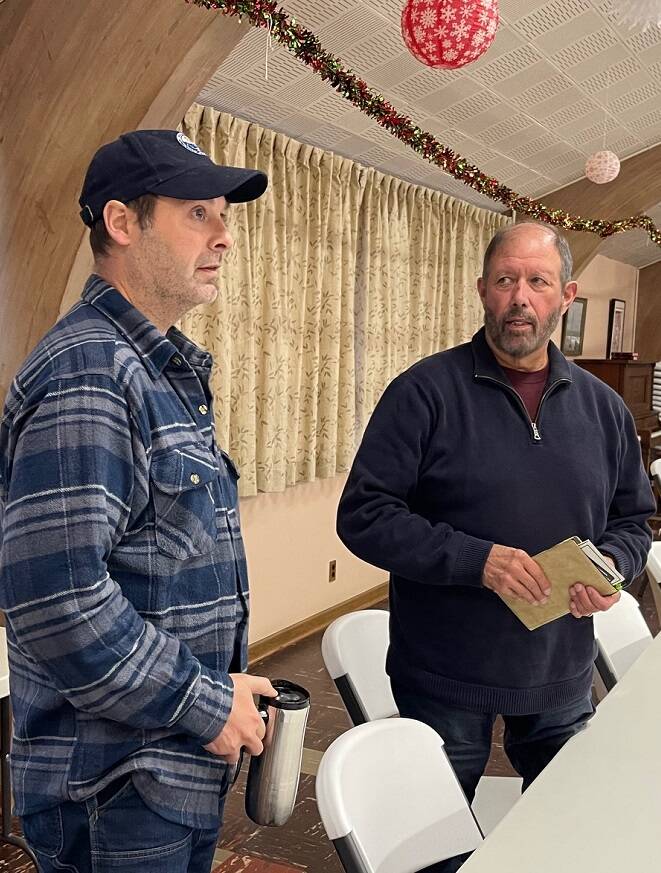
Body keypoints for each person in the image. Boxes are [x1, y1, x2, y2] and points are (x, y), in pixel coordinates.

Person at [337, 222, 655, 871]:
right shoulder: (423, 393)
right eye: (506, 280)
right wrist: (475, 560)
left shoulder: (603, 409)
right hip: (445, 675)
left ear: (564, 295)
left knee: (575, 837)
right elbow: (363, 515)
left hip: (560, 674)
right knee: (426, 854)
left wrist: (614, 566)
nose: (519, 297)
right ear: (482, 290)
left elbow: (631, 519)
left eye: (536, 281)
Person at [0, 130, 277, 873]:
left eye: (224, 215)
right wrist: (203, 700)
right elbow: (57, 600)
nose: (223, 236)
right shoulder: (89, 372)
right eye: (197, 214)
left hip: (160, 766)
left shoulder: (153, 367)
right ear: (122, 223)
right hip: (114, 782)